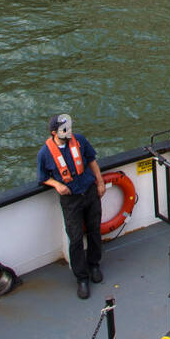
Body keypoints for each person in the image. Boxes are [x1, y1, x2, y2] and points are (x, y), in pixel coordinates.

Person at [38, 113, 105, 299]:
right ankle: (81, 278)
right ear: (54, 133)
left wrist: (100, 183)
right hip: (71, 200)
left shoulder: (80, 141)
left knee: (94, 229)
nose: (69, 131)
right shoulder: (45, 153)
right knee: (75, 238)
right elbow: (43, 178)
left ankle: (94, 265)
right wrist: (57, 185)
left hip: (89, 192)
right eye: (64, 129)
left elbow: (91, 160)